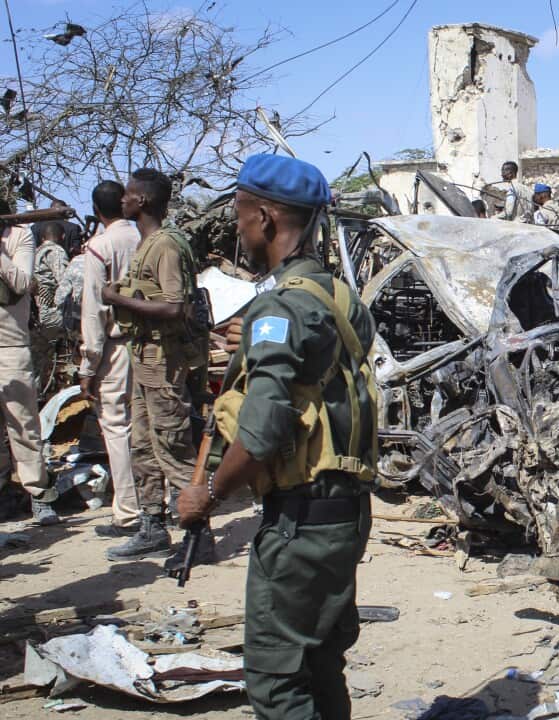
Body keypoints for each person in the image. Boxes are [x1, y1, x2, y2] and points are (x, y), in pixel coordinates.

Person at [176, 154, 377, 719]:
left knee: (276, 678)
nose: (237, 228)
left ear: (263, 217)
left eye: (240, 213)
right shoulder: (341, 297)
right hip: (344, 514)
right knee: (320, 663)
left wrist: (207, 495)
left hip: (299, 523)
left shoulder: (281, 305)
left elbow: (262, 431)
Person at [103, 168, 209, 565]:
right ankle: (152, 527)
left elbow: (173, 307)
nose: (123, 200)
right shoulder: (147, 243)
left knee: (173, 445)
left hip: (163, 362)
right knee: (144, 446)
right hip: (145, 358)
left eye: (128, 194)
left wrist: (117, 299)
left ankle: (198, 535)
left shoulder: (164, 245)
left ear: (142, 200)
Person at [80, 180, 142, 537]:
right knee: (149, 424)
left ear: (97, 211)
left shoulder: (99, 247)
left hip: (116, 347)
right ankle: (160, 502)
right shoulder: (145, 237)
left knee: (117, 427)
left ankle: (129, 512)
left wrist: (88, 366)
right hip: (150, 344)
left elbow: (94, 312)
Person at [0, 198, 59, 525]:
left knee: (23, 425)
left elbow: (22, 283)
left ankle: (38, 493)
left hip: (9, 345)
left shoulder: (18, 236)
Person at [31, 222, 70, 392]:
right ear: (62, 236)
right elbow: (65, 283)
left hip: (36, 314)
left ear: (42, 237)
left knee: (37, 357)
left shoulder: (35, 253)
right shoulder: (56, 252)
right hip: (50, 313)